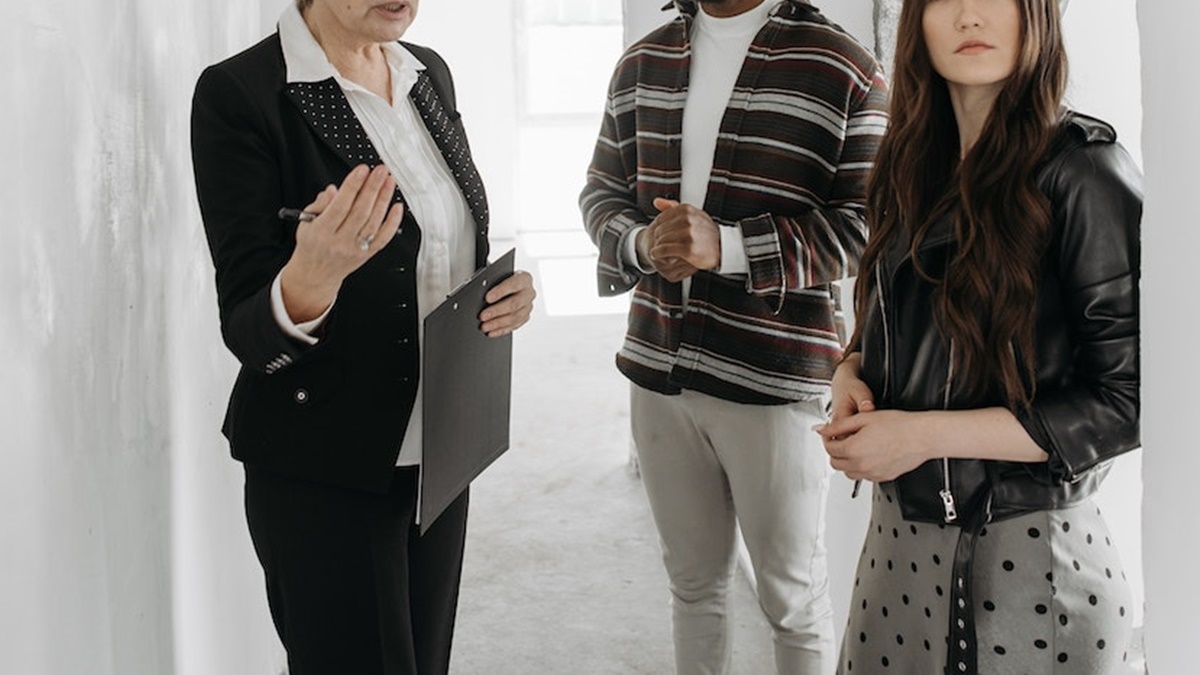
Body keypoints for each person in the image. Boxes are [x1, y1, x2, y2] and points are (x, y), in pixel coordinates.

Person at [189, 1, 535, 672]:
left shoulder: (426, 72)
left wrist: (496, 294)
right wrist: (312, 276)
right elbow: (247, 330)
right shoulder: (242, 93)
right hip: (326, 462)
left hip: (440, 450)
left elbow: (438, 244)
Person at [813, 0, 1141, 672]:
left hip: (1029, 562)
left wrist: (922, 436)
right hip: (894, 555)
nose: (969, 16)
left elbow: (1127, 402)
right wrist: (850, 371)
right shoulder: (907, 165)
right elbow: (889, 318)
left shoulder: (1084, 170)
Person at [580, 0, 888, 671]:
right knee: (692, 588)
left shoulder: (843, 66)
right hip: (658, 372)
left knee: (792, 600)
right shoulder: (642, 61)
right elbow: (601, 192)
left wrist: (727, 246)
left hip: (773, 378)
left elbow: (870, 225)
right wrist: (641, 242)